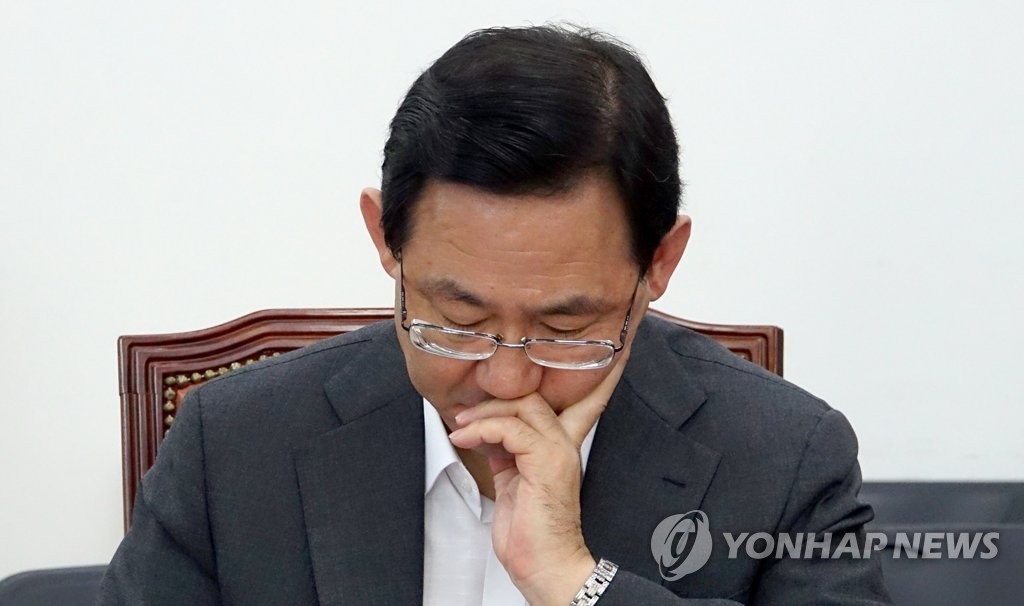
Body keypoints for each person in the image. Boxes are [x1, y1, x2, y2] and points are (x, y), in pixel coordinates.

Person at [98, 25, 891, 605]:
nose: (506, 377)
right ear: (385, 240)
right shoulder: (234, 443)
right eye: (457, 318)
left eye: (566, 329)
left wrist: (577, 583)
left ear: (660, 264)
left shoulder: (784, 459)